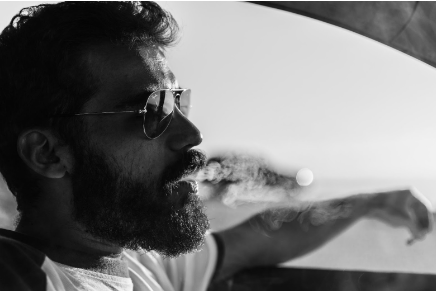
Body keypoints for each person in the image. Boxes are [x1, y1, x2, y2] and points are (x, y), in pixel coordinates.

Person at [0, 2, 432, 291]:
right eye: (149, 111)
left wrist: (369, 202)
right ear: (47, 154)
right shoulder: (27, 276)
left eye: (176, 101)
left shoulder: (142, 265)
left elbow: (257, 239)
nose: (191, 133)